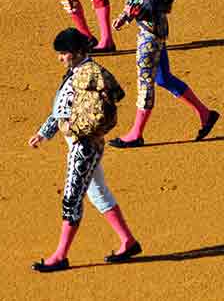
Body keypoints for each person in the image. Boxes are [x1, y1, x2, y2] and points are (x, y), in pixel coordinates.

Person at [29, 28, 141, 272]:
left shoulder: (88, 75)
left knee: (71, 199)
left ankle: (60, 256)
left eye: (64, 53)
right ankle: (128, 241)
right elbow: (62, 109)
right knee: (98, 192)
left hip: (84, 145)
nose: (60, 58)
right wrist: (44, 132)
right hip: (84, 142)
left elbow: (98, 108)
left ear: (78, 52)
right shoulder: (80, 72)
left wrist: (74, 129)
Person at [108, 0, 219, 148]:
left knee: (145, 79)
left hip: (149, 29)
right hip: (159, 25)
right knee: (163, 77)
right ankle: (206, 114)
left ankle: (136, 134)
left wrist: (126, 16)